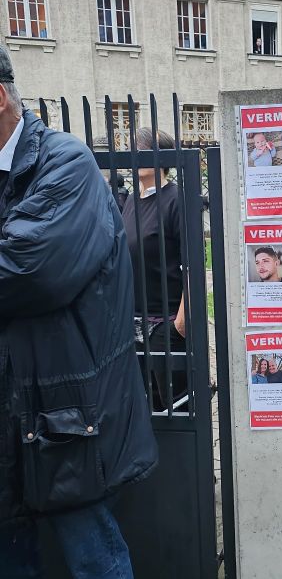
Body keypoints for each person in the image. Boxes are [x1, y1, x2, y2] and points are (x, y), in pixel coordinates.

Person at [0, 47, 157, 579]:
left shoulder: (65, 165)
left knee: (93, 551)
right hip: (6, 402)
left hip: (65, 404)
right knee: (6, 550)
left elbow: (28, 269)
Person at [121, 128, 188, 412]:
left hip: (165, 324)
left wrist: (180, 324)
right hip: (132, 323)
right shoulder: (130, 202)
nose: (134, 155)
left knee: (175, 409)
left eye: (142, 149)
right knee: (144, 410)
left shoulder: (176, 199)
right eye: (131, 149)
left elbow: (192, 264)